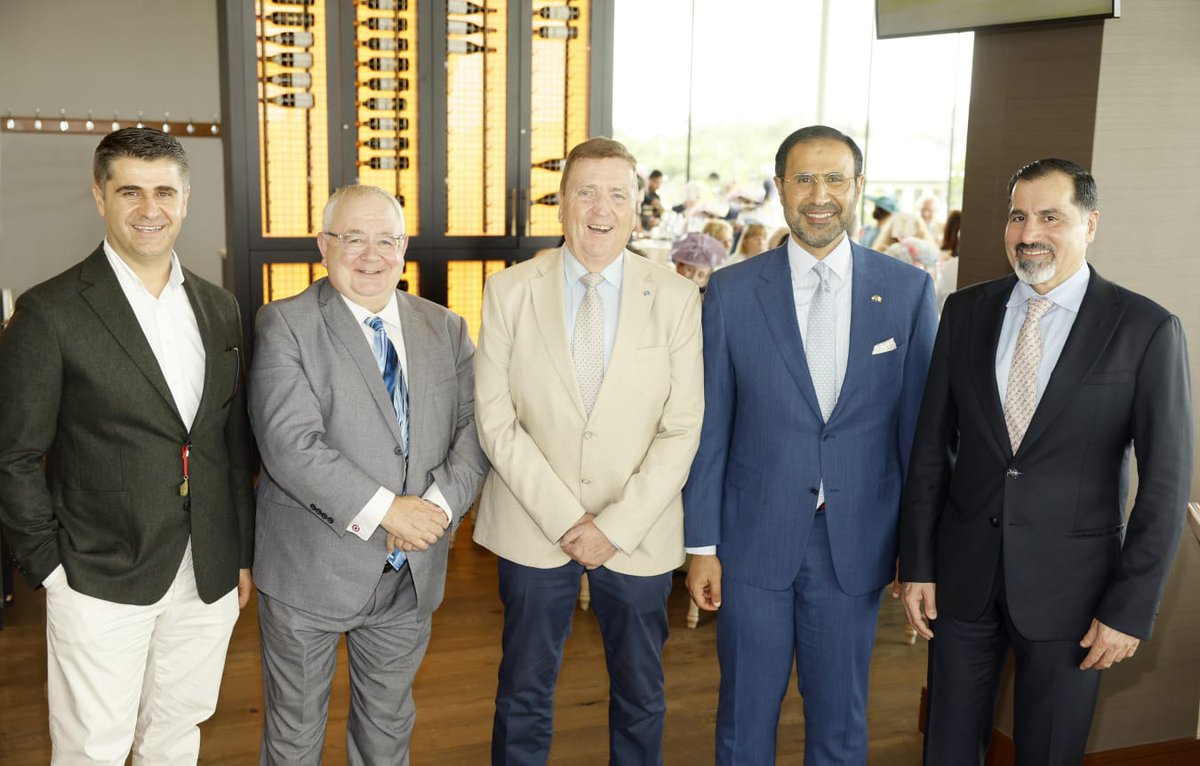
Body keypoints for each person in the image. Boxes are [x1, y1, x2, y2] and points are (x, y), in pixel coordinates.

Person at [900, 159, 1193, 765]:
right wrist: (918, 563)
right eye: (1018, 216)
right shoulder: (965, 311)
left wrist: (1129, 608)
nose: (1029, 233)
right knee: (947, 749)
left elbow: (1164, 486)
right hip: (963, 581)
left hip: (1075, 597)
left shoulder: (1145, 328)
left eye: (1050, 217)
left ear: (1091, 225)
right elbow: (931, 449)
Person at [684, 125, 938, 765]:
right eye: (803, 179)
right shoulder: (733, 292)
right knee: (743, 718)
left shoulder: (907, 291)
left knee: (841, 724)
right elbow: (712, 427)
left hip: (855, 545)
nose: (819, 196)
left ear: (858, 187)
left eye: (834, 179)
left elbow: (920, 437)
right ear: (779, 188)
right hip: (750, 542)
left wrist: (918, 553)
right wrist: (702, 546)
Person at [0, 127, 255, 763]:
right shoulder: (50, 311)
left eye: (164, 192)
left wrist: (239, 554)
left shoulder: (220, 307)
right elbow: (14, 454)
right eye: (130, 191)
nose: (149, 209)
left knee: (177, 734)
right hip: (97, 572)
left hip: (207, 570)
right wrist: (50, 567)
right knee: (93, 748)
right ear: (99, 196)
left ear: (186, 199)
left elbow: (228, 443)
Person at [473, 136, 704, 765]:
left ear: (637, 208)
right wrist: (566, 519)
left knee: (641, 694)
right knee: (523, 692)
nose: (602, 209)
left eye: (617, 195)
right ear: (562, 203)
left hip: (638, 532)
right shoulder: (508, 291)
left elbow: (682, 427)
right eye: (587, 192)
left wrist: (615, 527)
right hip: (532, 526)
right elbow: (495, 419)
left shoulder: (677, 297)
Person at [249, 185, 488, 764]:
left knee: (387, 732)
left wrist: (432, 513)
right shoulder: (285, 323)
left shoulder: (446, 327)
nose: (371, 255)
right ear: (323, 245)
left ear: (404, 247)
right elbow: (290, 446)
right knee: (294, 736)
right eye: (353, 238)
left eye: (386, 240)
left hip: (410, 573)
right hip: (310, 569)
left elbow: (476, 433)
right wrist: (389, 512)